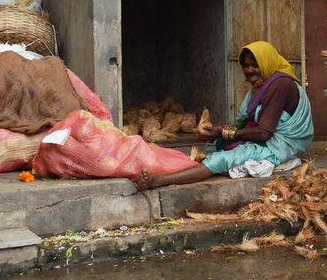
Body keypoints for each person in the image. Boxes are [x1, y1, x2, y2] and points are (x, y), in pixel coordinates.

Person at [134, 42, 313, 189]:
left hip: (281, 146)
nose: (249, 70)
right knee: (215, 144)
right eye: (246, 65)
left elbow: (265, 133)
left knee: (222, 158)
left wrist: (225, 132)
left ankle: (158, 181)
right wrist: (217, 133)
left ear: (266, 62)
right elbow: (248, 125)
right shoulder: (263, 84)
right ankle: (180, 168)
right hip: (268, 137)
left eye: (255, 65)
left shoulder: (280, 84)